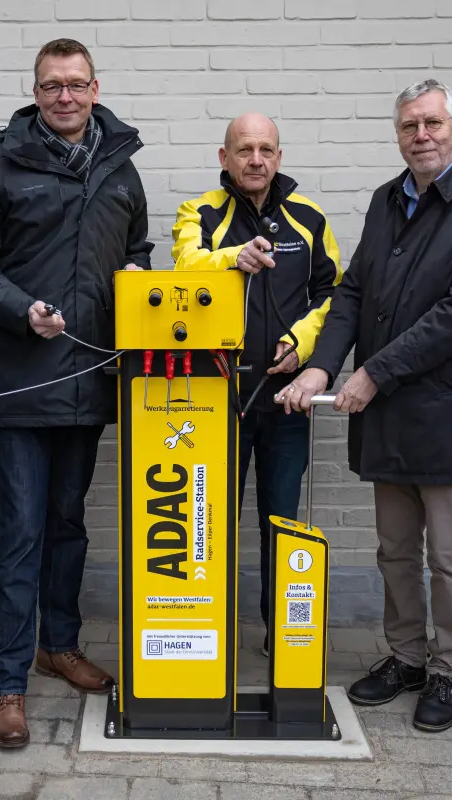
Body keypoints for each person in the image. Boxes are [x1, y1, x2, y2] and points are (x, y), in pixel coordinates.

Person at [0, 38, 153, 748]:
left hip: (90, 380)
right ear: (35, 93)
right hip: (23, 381)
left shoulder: (121, 167)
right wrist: (20, 308)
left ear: (96, 88)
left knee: (69, 525)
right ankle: (8, 684)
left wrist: (135, 281)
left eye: (75, 84)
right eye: (50, 86)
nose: (64, 96)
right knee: (22, 533)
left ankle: (58, 646)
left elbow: (137, 251)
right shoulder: (3, 164)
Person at [281, 79, 452, 733]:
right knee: (394, 549)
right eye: (408, 126)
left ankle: (448, 670)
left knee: (449, 558)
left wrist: (372, 372)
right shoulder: (387, 199)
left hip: (447, 412)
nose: (421, 136)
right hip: (387, 412)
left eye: (432, 123)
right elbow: (354, 292)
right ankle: (408, 657)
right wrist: (320, 365)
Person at [172, 113, 341, 656]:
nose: (256, 159)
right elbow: (184, 266)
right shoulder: (198, 212)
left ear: (279, 157)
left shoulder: (309, 219)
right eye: (244, 149)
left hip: (287, 402)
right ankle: (210, 630)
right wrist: (233, 258)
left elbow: (335, 296)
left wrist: (301, 343)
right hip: (215, 401)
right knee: (208, 525)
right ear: (225, 158)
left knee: (282, 521)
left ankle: (280, 635)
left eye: (266, 149)